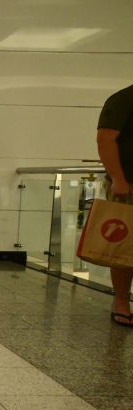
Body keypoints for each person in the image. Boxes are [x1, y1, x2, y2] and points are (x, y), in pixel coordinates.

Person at [97, 83, 133, 327]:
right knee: (123, 246)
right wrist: (118, 178)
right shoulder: (124, 99)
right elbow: (105, 139)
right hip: (128, 186)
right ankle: (122, 302)